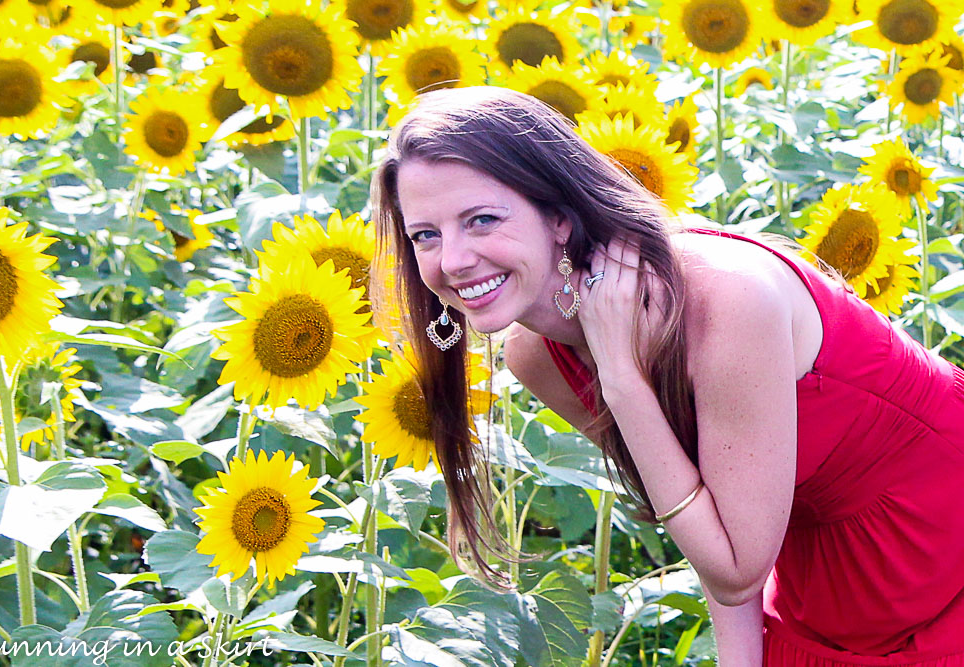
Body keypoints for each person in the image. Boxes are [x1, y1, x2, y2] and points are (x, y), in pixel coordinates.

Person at [369, 86, 964, 666]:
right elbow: (706, 519)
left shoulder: (726, 301)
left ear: (557, 217)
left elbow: (734, 568)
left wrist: (622, 379)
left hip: (943, 548)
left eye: (481, 220)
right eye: (426, 235)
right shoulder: (536, 357)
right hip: (816, 577)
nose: (451, 260)